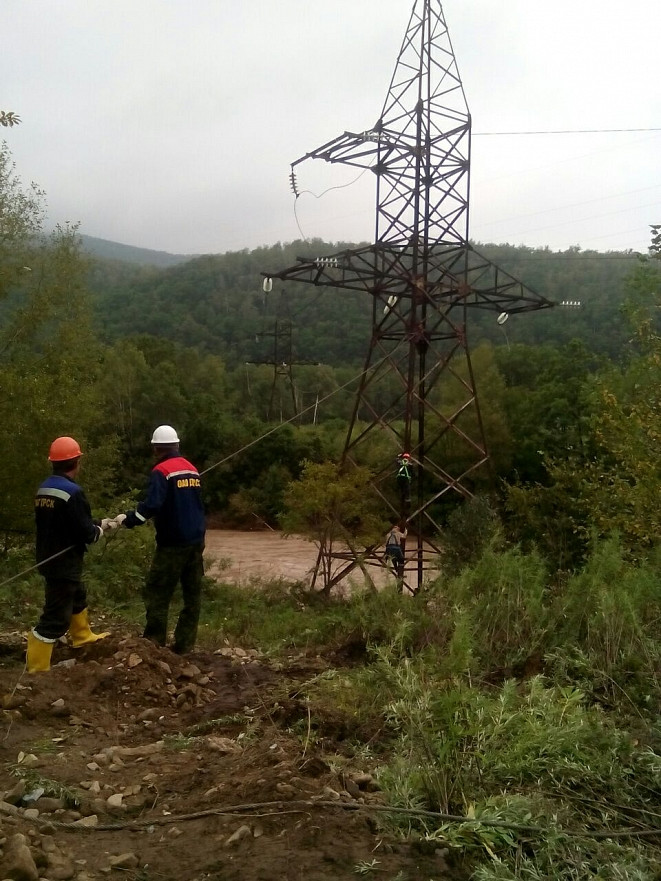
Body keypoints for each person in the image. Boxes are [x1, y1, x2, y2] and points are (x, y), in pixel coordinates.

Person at [114, 425, 206, 655]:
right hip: (196, 541)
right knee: (192, 595)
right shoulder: (192, 469)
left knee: (158, 591)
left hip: (173, 543)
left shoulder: (161, 471)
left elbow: (152, 505)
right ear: (176, 445)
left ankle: (154, 644)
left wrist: (129, 519)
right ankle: (185, 646)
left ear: (156, 448)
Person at [27, 436, 113, 674]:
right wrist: (100, 530)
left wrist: (98, 523)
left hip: (48, 555)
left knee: (77, 594)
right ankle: (36, 669)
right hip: (64, 562)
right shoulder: (74, 492)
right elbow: (86, 534)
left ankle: (83, 636)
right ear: (76, 462)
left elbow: (64, 522)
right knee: (55, 618)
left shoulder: (44, 488)